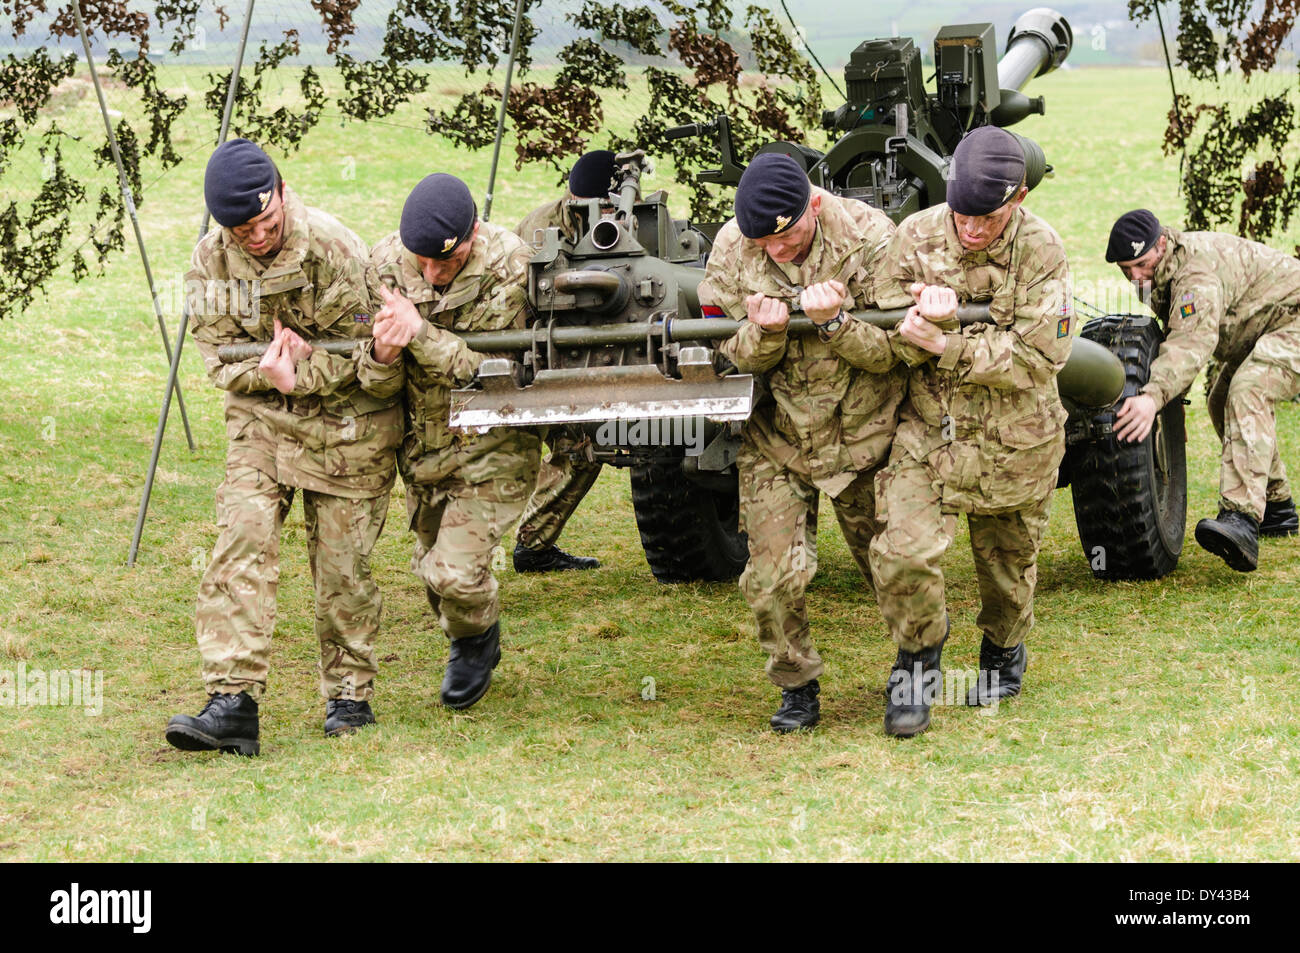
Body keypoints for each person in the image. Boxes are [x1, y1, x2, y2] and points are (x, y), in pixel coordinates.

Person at [166, 139, 401, 756]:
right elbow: (218, 359)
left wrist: (305, 375)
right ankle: (232, 703)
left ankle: (349, 695)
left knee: (342, 567)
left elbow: (370, 358)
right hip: (264, 417)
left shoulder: (335, 249)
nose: (259, 237)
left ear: (284, 194)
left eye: (267, 223)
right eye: (244, 231)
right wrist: (270, 378)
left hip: (350, 421)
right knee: (241, 543)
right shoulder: (209, 265)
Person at [869, 125, 1072, 738]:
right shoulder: (918, 232)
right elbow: (880, 307)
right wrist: (911, 315)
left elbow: (1041, 359)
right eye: (963, 214)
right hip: (929, 432)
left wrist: (947, 342)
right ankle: (917, 662)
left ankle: (1004, 647)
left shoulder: (1043, 250)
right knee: (903, 553)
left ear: (1020, 199)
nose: (972, 229)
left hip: (1016, 440)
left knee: (1007, 567)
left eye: (988, 217)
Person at [699, 152, 904, 733]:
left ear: (812, 203)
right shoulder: (733, 248)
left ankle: (915, 668)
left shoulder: (870, 237)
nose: (774, 251)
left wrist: (836, 322)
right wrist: (762, 335)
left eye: (784, 237)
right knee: (770, 579)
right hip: (779, 435)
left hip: (862, 432)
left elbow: (895, 353)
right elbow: (724, 353)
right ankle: (796, 685)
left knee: (894, 567)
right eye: (760, 241)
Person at [357, 172, 540, 710]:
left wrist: (420, 335)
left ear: (474, 234)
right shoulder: (383, 265)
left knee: (454, 573)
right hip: (425, 448)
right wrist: (384, 355)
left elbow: (503, 374)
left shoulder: (516, 267)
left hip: (496, 443)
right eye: (424, 263)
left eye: (448, 261)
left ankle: (474, 641)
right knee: (431, 572)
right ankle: (469, 634)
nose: (433, 275)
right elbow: (372, 375)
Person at [1107, 209, 1300, 572]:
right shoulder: (1158, 272)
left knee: (1247, 391)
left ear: (1161, 243)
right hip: (1265, 326)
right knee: (1221, 401)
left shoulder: (1195, 275)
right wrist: (1172, 394)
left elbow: (1191, 342)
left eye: (1141, 264)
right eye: (1125, 268)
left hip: (1293, 318)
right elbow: (1181, 331)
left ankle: (1241, 518)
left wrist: (1154, 396)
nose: (1135, 276)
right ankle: (1277, 507)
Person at [510, 150, 619, 572]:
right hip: (537, 350)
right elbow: (519, 296)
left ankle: (533, 545)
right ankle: (494, 552)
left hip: (581, 350)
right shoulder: (541, 228)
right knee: (534, 450)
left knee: (580, 445)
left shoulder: (623, 219)